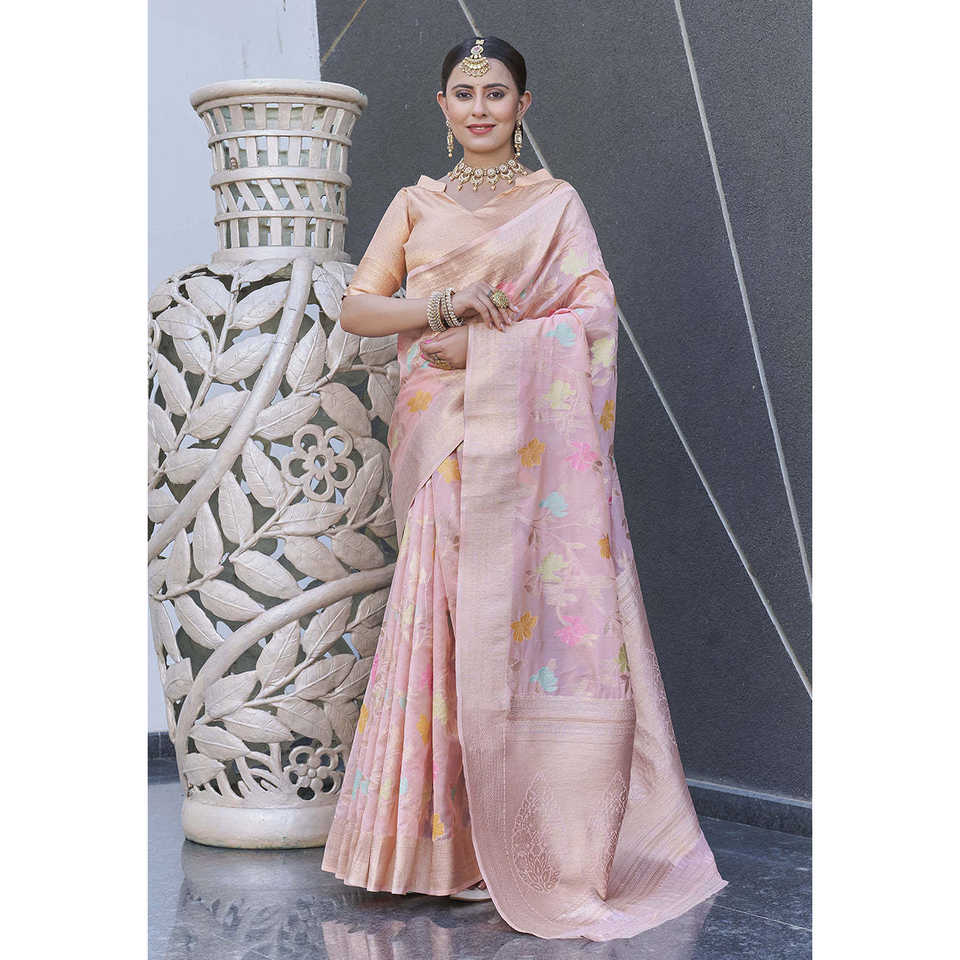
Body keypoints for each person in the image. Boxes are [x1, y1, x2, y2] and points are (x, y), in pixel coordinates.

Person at [320, 35, 729, 941]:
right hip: (441, 433)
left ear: (523, 106)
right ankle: (433, 852)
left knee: (510, 619)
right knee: (445, 617)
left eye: (496, 93)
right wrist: (444, 307)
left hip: (527, 441)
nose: (479, 108)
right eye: (463, 93)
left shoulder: (555, 204)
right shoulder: (415, 205)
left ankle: (521, 841)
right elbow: (358, 308)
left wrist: (492, 342)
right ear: (441, 106)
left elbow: (592, 313)